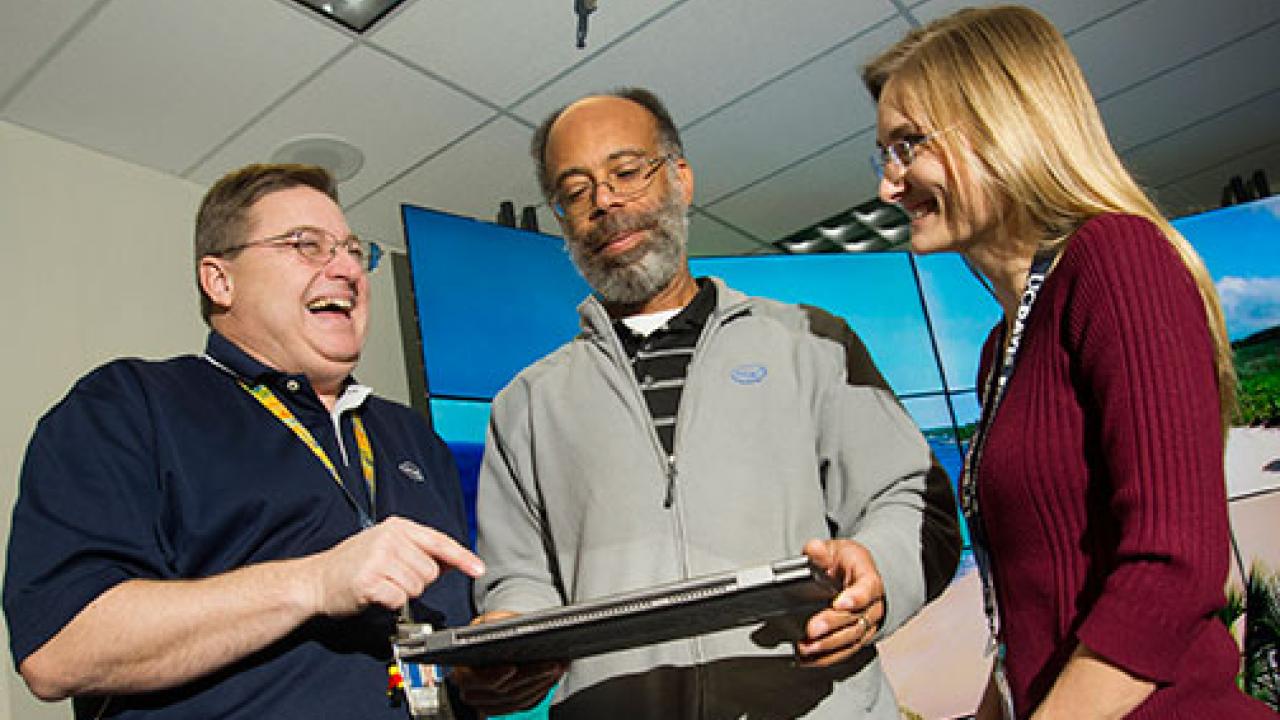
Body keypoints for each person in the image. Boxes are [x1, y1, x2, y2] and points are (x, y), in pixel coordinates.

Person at [452, 87, 963, 719]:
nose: (604, 202)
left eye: (626, 172)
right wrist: (509, 641)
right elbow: (520, 580)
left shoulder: (813, 342)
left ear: (681, 178)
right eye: (575, 191)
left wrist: (879, 575)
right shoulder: (523, 406)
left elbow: (910, 498)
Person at [863, 6, 1275, 719]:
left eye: (908, 146)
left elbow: (1171, 566)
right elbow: (1035, 605)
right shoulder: (1002, 348)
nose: (888, 187)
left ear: (998, 126)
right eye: (886, 156)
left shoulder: (1115, 259)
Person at [3, 163, 485, 719]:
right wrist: (315, 582)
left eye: (355, 250)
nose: (347, 268)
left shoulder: (412, 436)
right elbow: (59, 648)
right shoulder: (129, 404)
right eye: (307, 245)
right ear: (220, 281)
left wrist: (488, 673)